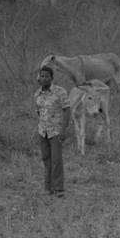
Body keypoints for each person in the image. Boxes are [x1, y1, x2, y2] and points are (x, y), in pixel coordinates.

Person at [35, 65, 71, 198]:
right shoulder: (37, 94)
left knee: (56, 159)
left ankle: (59, 188)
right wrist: (41, 126)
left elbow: (67, 110)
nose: (44, 78)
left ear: (52, 78)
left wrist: (63, 130)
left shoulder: (59, 92)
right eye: (42, 76)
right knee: (46, 159)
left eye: (47, 76)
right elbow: (38, 112)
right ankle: (48, 188)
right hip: (42, 131)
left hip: (56, 131)